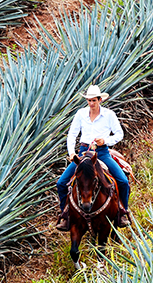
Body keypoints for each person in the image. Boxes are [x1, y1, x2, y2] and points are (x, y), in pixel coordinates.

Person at [56, 85, 130, 231]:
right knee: (61, 183)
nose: (91, 104)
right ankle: (66, 215)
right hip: (83, 153)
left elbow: (119, 134)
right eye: (89, 100)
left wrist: (105, 141)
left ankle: (122, 212)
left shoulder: (109, 115)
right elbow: (72, 134)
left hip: (102, 153)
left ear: (100, 100)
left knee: (123, 181)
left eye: (94, 100)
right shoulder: (81, 114)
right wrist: (71, 153)